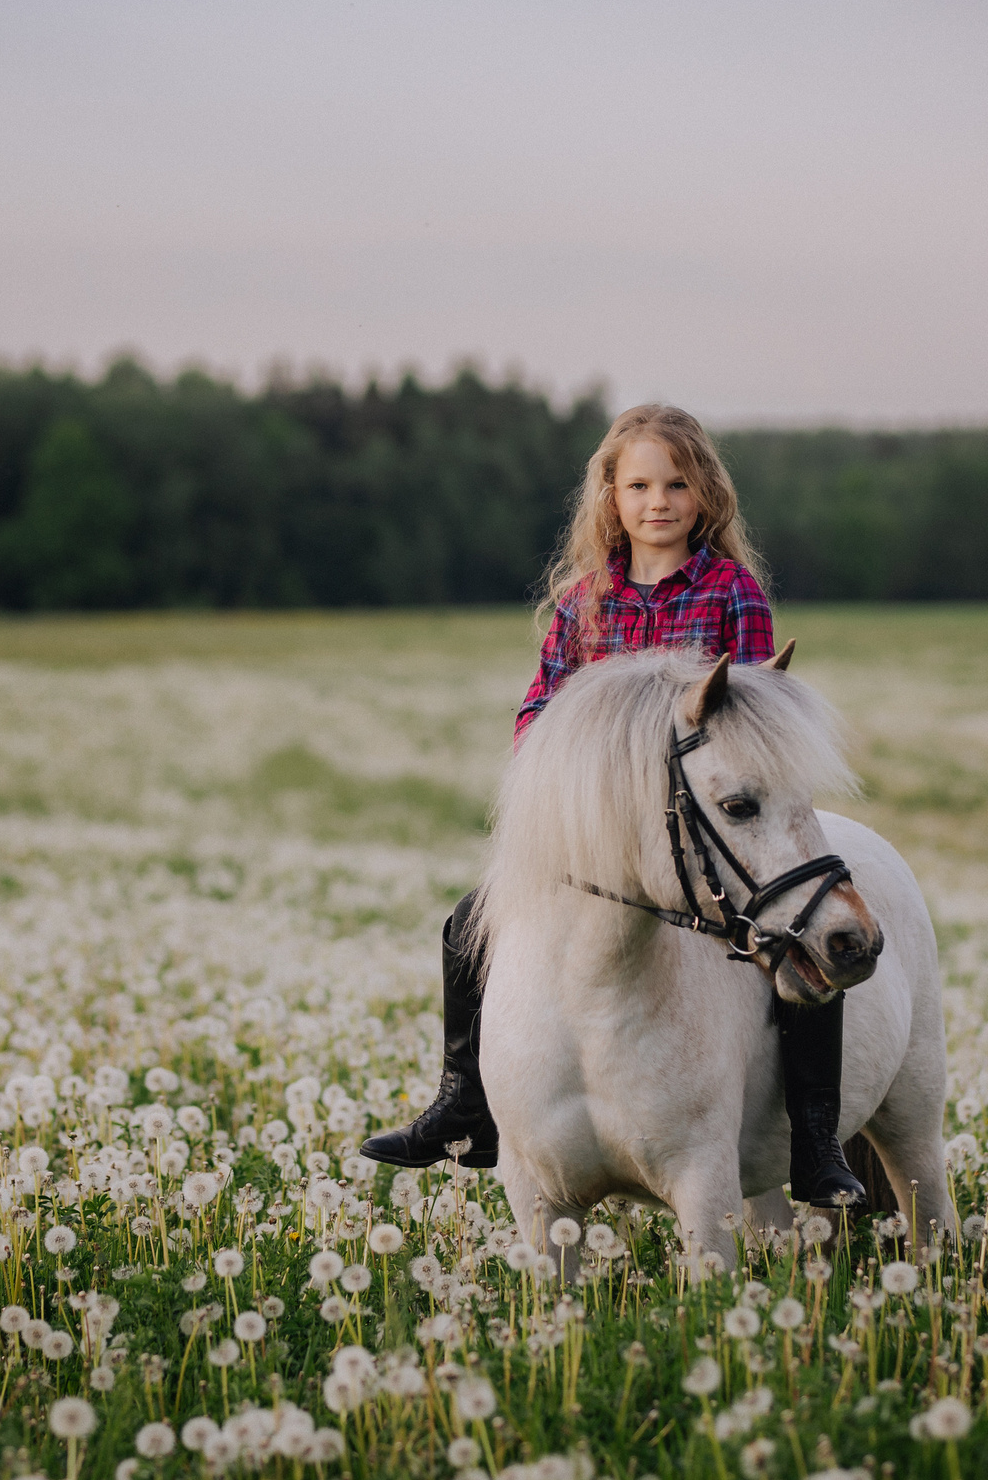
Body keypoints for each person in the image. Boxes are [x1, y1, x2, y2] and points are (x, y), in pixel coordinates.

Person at [358, 402, 867, 1209]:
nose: (657, 500)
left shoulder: (731, 591)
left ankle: (813, 1135)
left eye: (676, 483)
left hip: (697, 833)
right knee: (466, 926)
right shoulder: (582, 604)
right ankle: (467, 1105)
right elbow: (537, 712)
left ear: (704, 495)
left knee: (791, 940)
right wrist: (563, 766)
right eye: (638, 484)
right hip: (604, 841)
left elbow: (764, 710)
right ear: (612, 497)